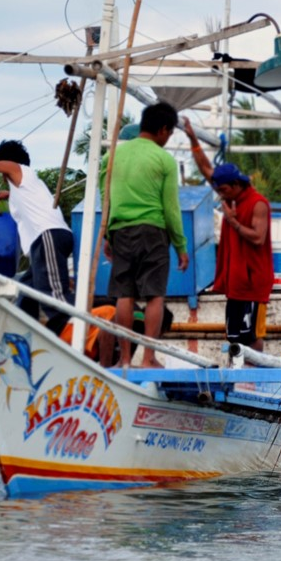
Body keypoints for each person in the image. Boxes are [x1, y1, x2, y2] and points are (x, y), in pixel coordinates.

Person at [0, 127, 74, 321]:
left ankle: (78, 336)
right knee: (27, 295)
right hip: (44, 242)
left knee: (55, 300)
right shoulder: (25, 182)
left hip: (48, 236)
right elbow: (32, 200)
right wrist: (9, 195)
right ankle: (26, 335)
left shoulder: (15, 169)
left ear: (6, 162)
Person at [103, 102, 188, 368]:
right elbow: (171, 208)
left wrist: (107, 234)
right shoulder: (164, 160)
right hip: (153, 231)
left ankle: (125, 359)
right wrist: (180, 246)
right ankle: (149, 358)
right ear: (163, 129)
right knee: (154, 295)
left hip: (120, 230)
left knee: (124, 294)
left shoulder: (111, 157)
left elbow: (105, 198)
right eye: (171, 132)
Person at [210, 162, 273, 352]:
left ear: (236, 184)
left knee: (251, 334)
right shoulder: (232, 203)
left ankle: (252, 381)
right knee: (234, 335)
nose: (221, 194)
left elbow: (258, 237)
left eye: (224, 189)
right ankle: (238, 379)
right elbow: (206, 169)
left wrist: (233, 222)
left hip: (253, 283)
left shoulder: (257, 203)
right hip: (236, 285)